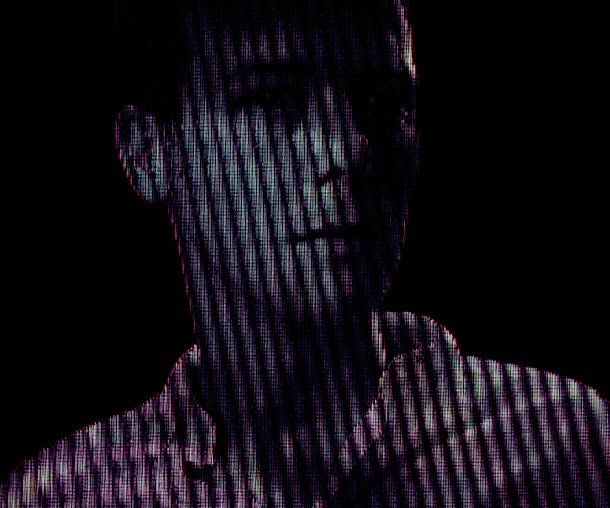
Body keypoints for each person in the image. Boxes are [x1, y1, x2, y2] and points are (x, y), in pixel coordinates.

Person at [1, 0, 609, 505]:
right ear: (150, 153)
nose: (347, 150)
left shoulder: (568, 441)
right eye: (272, 101)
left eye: (384, 104)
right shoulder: (67, 494)